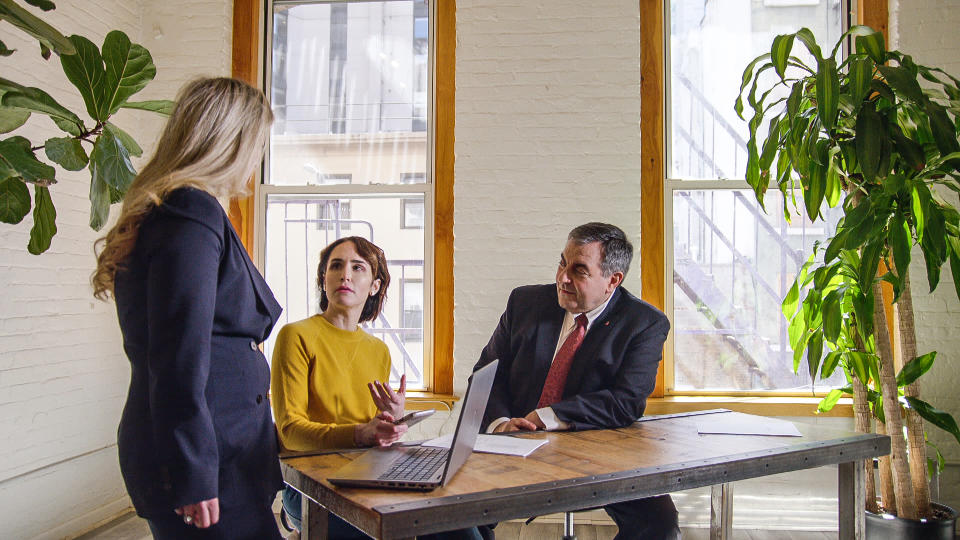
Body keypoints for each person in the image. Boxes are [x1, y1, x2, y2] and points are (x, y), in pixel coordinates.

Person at [91, 78, 284, 539]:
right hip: (208, 463)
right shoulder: (192, 210)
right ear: (231, 140)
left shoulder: (177, 209)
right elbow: (179, 352)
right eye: (256, 144)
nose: (256, 160)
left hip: (224, 455)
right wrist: (193, 472)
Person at [472, 222, 680, 540]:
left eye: (578, 270)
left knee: (659, 522)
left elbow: (626, 402)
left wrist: (544, 418)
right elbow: (487, 375)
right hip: (510, 443)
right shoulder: (524, 303)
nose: (562, 278)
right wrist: (501, 424)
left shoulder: (644, 324)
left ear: (613, 280)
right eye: (561, 263)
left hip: (595, 454)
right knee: (444, 514)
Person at [271, 236, 408, 539]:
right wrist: (359, 434)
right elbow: (290, 432)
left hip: (366, 479)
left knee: (450, 524)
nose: (345, 274)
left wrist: (394, 418)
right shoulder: (296, 335)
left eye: (358, 267)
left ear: (374, 286)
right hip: (308, 486)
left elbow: (375, 433)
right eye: (336, 266)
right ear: (324, 279)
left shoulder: (379, 351)